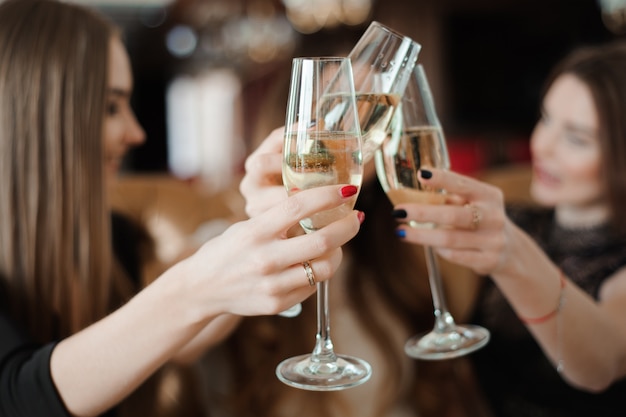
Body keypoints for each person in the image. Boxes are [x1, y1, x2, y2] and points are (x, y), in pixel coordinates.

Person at [0, 1, 363, 417]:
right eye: (110, 107)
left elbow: (171, 346)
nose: (136, 133)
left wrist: (262, 224)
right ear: (38, 113)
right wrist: (196, 288)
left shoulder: (110, 233)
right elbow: (18, 397)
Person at [391, 41, 626, 416]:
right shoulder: (516, 217)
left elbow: (603, 364)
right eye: (545, 119)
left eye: (576, 138)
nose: (542, 146)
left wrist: (513, 253)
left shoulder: (512, 234)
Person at [208, 126, 480, 417]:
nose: (363, 128)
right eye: (342, 107)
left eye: (376, 111)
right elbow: (181, 341)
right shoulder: (224, 247)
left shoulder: (389, 249)